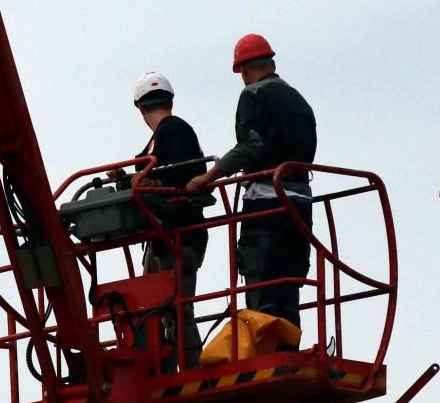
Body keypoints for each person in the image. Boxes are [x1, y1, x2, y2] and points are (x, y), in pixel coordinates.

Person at [185, 34, 316, 329]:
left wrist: (207, 178)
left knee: (262, 278)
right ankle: (288, 346)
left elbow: (251, 146)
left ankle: (266, 347)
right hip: (301, 203)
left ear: (243, 70)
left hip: (266, 203)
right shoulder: (298, 100)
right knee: (288, 281)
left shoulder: (254, 95)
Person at [128, 71, 206, 367]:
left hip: (178, 233)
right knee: (158, 308)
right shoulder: (160, 139)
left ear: (140, 108)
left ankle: (189, 369)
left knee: (177, 307)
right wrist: (126, 178)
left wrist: (145, 182)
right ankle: (167, 366)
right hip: (165, 237)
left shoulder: (173, 131)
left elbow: (174, 178)